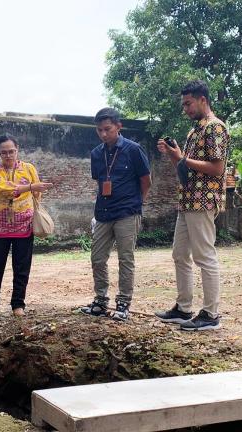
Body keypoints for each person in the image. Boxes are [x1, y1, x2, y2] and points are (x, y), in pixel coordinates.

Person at [153, 80, 229, 331]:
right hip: (187, 200)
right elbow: (186, 167)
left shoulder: (215, 128)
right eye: (183, 104)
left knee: (204, 256)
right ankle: (184, 308)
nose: (185, 109)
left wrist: (182, 158)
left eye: (188, 103)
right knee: (179, 254)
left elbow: (217, 169)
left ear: (202, 100)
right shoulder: (195, 131)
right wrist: (175, 157)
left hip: (203, 200)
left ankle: (211, 314)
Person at [79, 108, 151, 322]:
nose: (103, 134)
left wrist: (137, 204)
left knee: (125, 258)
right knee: (97, 258)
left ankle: (123, 303)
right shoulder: (96, 154)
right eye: (99, 130)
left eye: (107, 129)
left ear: (119, 127)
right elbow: (100, 182)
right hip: (103, 212)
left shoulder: (134, 150)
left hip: (127, 212)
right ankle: (101, 301)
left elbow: (146, 181)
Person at [0, 134, 53, 318]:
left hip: (24, 223)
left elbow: (37, 195)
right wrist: (31, 187)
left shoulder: (28, 168)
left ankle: (18, 304)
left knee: (21, 266)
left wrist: (31, 192)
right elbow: (3, 188)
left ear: (17, 150)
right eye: (4, 152)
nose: (8, 155)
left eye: (12, 151)